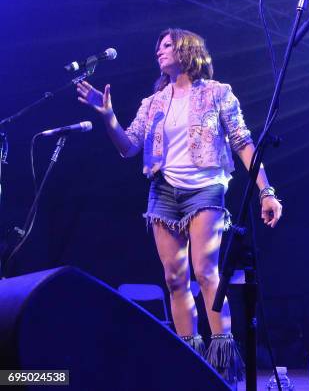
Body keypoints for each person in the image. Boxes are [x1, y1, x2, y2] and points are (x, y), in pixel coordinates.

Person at [76, 28, 282, 384]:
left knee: (206, 272)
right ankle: (189, 363)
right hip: (164, 192)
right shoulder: (154, 102)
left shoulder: (218, 94)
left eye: (167, 45)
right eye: (158, 46)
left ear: (187, 50)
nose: (159, 51)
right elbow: (128, 147)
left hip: (206, 188)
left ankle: (221, 365)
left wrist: (266, 191)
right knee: (175, 279)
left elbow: (244, 144)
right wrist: (108, 116)